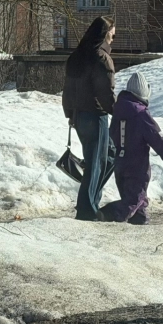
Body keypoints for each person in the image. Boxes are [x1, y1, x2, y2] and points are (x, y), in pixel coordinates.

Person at [99, 73, 163, 225]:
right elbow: (160, 142)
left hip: (119, 165)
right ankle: (104, 214)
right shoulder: (141, 114)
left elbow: (111, 138)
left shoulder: (118, 111)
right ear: (144, 93)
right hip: (137, 165)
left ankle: (140, 223)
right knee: (133, 200)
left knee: (139, 201)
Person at [62, 16, 117, 221]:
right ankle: (87, 210)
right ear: (105, 33)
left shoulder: (77, 56)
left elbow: (67, 90)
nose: (114, 35)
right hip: (96, 116)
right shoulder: (101, 58)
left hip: (78, 116)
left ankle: (90, 201)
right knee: (97, 163)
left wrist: (70, 114)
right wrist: (120, 112)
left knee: (108, 156)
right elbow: (106, 94)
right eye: (112, 31)